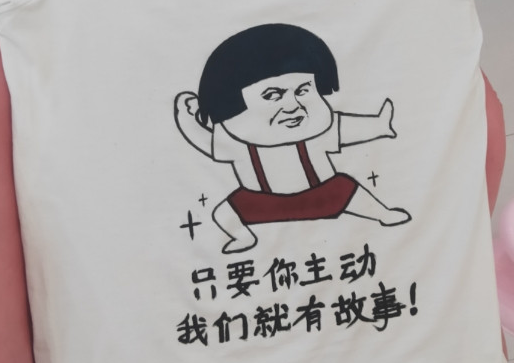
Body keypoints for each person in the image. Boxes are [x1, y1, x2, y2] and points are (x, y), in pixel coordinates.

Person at [175, 23, 411, 254]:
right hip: (260, 203)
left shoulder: (320, 131)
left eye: (302, 91)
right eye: (272, 95)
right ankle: (243, 236)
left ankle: (383, 213)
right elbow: (206, 143)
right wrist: (186, 119)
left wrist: (381, 125)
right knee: (223, 213)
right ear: (228, 106)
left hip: (320, 195)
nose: (292, 106)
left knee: (350, 190)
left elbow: (349, 128)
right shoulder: (236, 143)